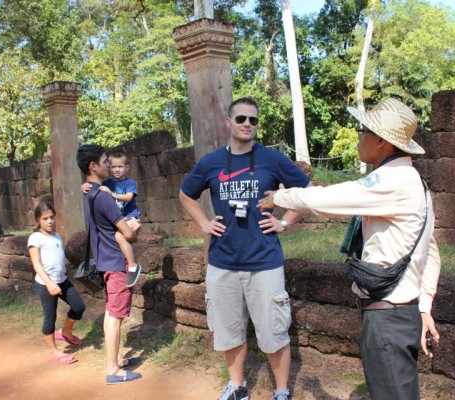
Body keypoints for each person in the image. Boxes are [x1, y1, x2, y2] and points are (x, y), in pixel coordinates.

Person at [257, 98, 441, 400]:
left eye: (362, 130)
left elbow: (327, 200)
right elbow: (429, 249)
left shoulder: (393, 181)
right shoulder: (416, 183)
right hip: (402, 314)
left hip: (388, 320)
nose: (359, 137)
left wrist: (279, 198)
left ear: (380, 141)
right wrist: (424, 306)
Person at [180, 97, 311, 400]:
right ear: (228, 122)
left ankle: (281, 391)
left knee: (274, 332)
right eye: (241, 119)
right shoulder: (211, 162)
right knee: (228, 331)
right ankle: (238, 387)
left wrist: (285, 222)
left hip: (264, 261)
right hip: (222, 262)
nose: (247, 124)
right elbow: (186, 194)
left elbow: (305, 192)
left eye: (253, 120)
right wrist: (203, 223)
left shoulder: (272, 159)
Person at [76, 144, 142, 384]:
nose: (109, 165)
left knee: (111, 311)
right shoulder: (103, 196)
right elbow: (128, 234)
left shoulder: (89, 191)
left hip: (104, 258)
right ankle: (113, 370)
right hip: (115, 261)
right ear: (93, 166)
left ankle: (116, 360)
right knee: (115, 314)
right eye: (105, 161)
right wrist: (133, 229)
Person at [28, 201, 86, 365]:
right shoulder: (35, 238)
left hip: (62, 280)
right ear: (38, 220)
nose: (49, 221)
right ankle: (53, 352)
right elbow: (36, 264)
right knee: (50, 317)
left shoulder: (57, 236)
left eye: (52, 217)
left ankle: (66, 332)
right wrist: (49, 283)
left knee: (79, 306)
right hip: (46, 283)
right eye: (45, 218)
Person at [81, 150, 142, 287]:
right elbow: (92, 184)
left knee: (121, 237)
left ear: (127, 168)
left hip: (130, 216)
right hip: (120, 219)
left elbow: (129, 197)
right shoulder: (107, 182)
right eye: (112, 166)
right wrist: (83, 186)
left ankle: (133, 266)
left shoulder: (129, 183)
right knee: (120, 237)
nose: (116, 169)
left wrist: (113, 194)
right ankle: (132, 264)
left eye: (120, 167)